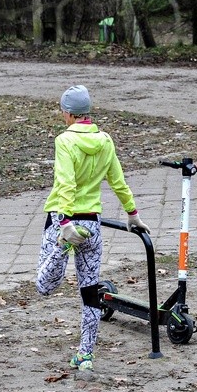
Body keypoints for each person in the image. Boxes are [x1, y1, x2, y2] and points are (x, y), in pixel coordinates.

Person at [36, 85, 150, 372]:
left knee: (44, 286)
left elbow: (65, 183)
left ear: (69, 114)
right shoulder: (106, 140)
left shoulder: (64, 141)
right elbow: (118, 181)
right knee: (90, 293)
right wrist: (132, 214)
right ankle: (85, 355)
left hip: (66, 221)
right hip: (92, 225)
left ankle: (62, 247)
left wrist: (63, 222)